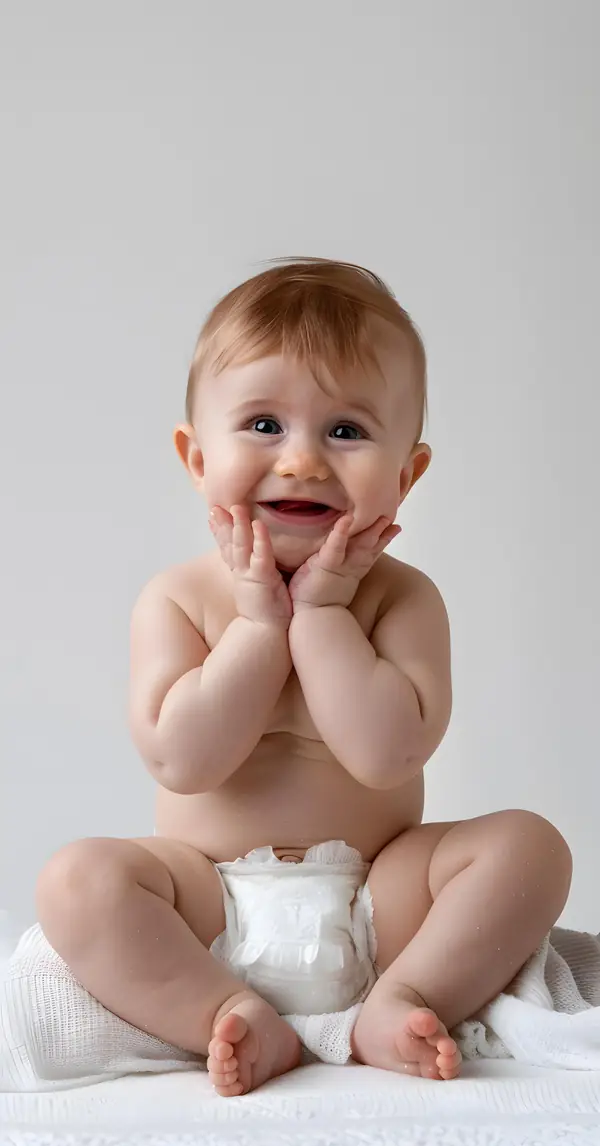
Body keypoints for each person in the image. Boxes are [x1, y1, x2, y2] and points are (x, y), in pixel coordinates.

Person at [35, 258, 572, 1096]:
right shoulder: (178, 599)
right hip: (206, 901)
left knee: (529, 849)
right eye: (262, 425)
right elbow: (184, 762)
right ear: (196, 455)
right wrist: (258, 627)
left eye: (347, 432)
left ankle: (403, 996)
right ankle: (225, 1010)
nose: (302, 462)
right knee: (76, 884)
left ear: (407, 474)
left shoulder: (403, 599)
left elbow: (387, 757)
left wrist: (322, 615)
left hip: (381, 902)